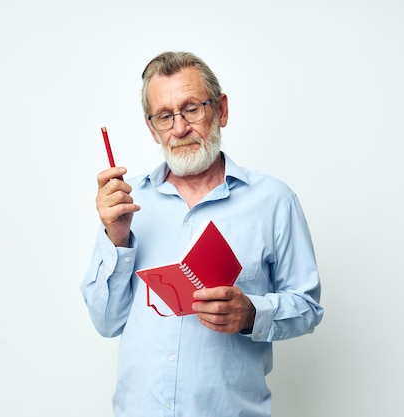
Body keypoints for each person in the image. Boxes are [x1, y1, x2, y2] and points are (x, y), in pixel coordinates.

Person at [80, 51, 323, 417]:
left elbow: (308, 308)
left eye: (192, 108)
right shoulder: (126, 204)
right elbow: (106, 322)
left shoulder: (274, 201)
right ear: (151, 128)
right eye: (165, 116)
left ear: (221, 110)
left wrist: (251, 313)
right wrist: (115, 238)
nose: (179, 129)